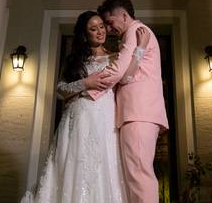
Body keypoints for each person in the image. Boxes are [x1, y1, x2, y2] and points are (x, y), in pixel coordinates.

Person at [21, 10, 148, 203]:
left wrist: (141, 48)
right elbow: (60, 90)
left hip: (104, 120)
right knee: (74, 164)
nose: (100, 31)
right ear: (84, 34)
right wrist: (85, 83)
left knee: (103, 166)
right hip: (78, 120)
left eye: (102, 26)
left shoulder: (116, 57)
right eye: (93, 29)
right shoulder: (75, 61)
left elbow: (127, 77)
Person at [87, 0, 169, 203]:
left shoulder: (135, 31)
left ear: (124, 16)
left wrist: (88, 84)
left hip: (138, 112)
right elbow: (126, 75)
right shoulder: (133, 34)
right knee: (135, 176)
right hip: (137, 113)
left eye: (109, 22)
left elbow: (119, 72)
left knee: (139, 176)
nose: (108, 29)